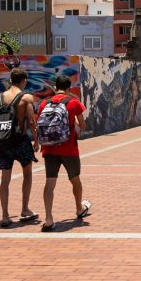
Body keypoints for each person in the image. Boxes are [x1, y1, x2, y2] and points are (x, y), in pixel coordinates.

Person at [37, 75, 91, 232]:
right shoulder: (73, 102)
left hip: (49, 149)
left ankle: (48, 219)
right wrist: (74, 127)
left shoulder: (44, 103)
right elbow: (83, 125)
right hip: (69, 149)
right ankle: (79, 209)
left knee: (50, 183)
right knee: (75, 180)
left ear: (55, 87)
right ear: (69, 88)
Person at [0, 68, 40, 228]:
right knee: (27, 174)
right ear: (23, 81)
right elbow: (31, 121)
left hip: (3, 141)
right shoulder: (26, 97)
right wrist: (36, 140)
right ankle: (25, 209)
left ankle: (5, 215)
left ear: (11, 80)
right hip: (20, 140)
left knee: (5, 180)